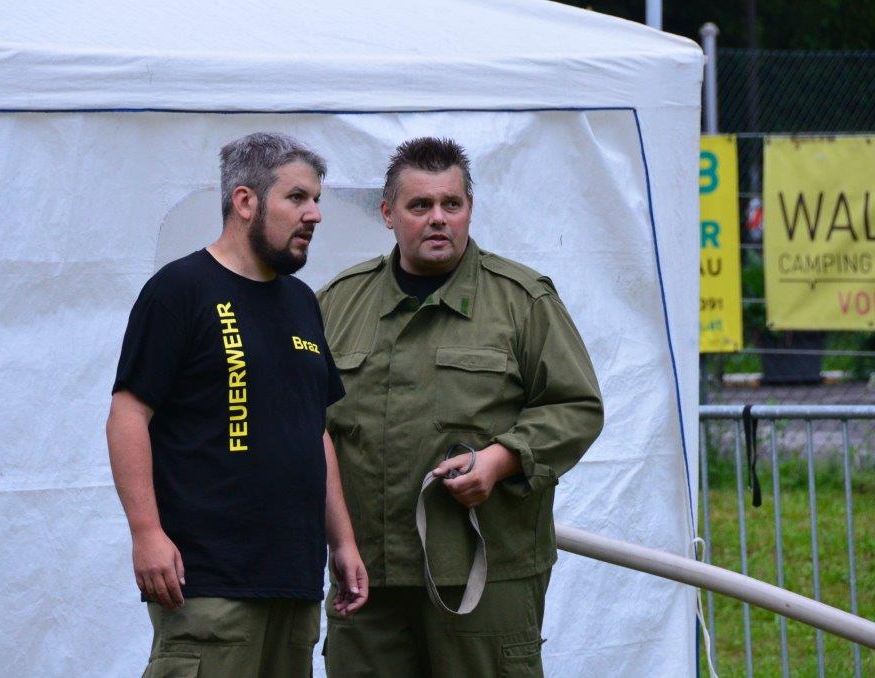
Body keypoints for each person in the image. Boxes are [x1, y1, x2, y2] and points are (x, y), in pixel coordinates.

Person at [317, 137, 603, 677]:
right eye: (419, 205)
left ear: (470, 208)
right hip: (367, 577)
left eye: (452, 203)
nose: (438, 218)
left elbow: (576, 405)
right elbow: (310, 426)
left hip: (484, 572)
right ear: (387, 214)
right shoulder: (338, 303)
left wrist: (502, 459)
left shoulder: (521, 300)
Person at [106, 132, 367, 678]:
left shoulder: (301, 302)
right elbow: (129, 414)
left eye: (316, 199)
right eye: (297, 197)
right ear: (245, 201)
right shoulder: (180, 289)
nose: (315, 214)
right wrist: (146, 533)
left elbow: (314, 430)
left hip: (295, 585)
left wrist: (342, 542)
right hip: (209, 584)